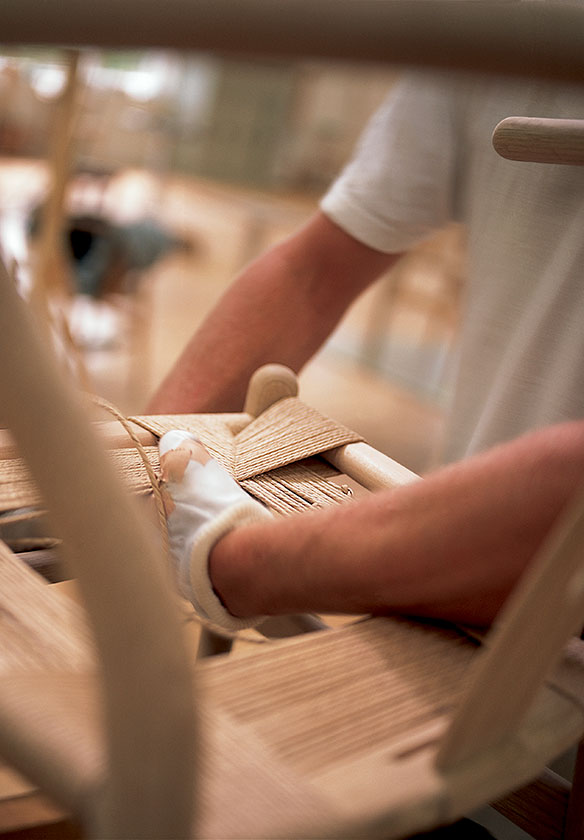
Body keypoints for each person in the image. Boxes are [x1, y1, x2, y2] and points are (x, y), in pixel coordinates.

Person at [148, 70, 584, 630]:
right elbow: (315, 273)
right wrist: (145, 455)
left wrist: (232, 562)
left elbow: (564, 496)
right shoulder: (496, 29)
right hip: (460, 595)